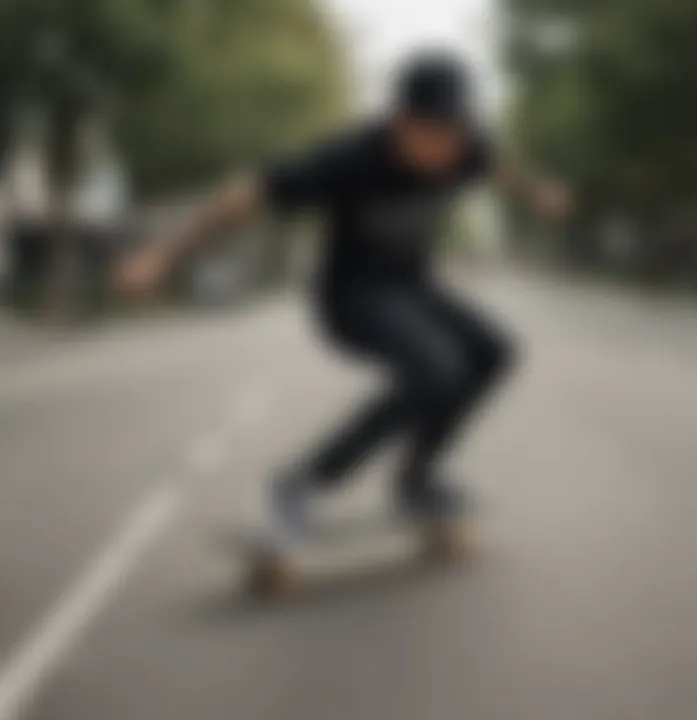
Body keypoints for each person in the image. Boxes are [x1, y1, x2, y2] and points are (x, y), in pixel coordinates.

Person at [115, 51, 571, 536]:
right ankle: (301, 484)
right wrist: (164, 255)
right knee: (435, 367)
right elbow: (243, 195)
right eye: (430, 134)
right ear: (399, 119)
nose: (443, 150)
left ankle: (418, 479)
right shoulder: (350, 158)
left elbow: (498, 165)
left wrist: (538, 190)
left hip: (413, 289)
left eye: (454, 135)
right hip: (351, 300)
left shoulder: (466, 149)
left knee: (495, 352)